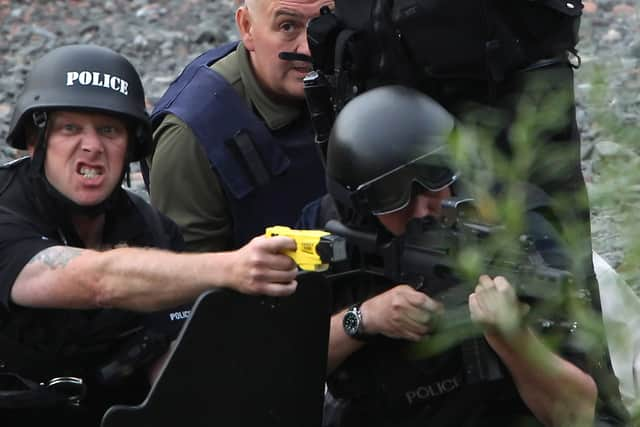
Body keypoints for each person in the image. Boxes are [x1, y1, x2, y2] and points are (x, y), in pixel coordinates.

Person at [0, 44, 301, 426]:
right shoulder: (6, 211)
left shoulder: (152, 230)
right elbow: (96, 280)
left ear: (131, 147)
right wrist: (232, 267)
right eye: (69, 128)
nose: (92, 147)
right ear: (34, 141)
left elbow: (174, 366)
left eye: (109, 130)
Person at [313, 85, 627, 427]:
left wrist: (516, 340)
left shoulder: (522, 228)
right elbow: (273, 374)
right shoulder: (329, 231)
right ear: (358, 205)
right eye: (392, 195)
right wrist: (363, 319)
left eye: (434, 176)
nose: (422, 209)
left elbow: (579, 415)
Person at [147, 0, 332, 252]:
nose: (310, 48)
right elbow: (188, 279)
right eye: (288, 26)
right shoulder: (193, 134)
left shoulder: (367, 69)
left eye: (323, 22)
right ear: (247, 28)